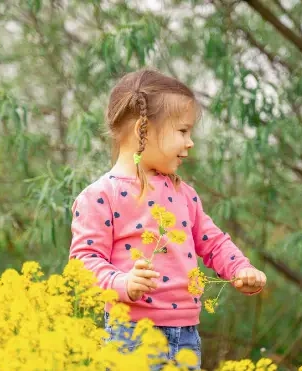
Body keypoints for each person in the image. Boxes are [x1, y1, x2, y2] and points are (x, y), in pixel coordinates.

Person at [69, 68, 267, 370]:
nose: (190, 143)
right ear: (142, 130)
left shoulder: (184, 194)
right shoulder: (101, 195)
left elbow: (213, 242)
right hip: (133, 334)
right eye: (182, 131)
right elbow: (83, 262)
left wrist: (241, 268)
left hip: (187, 335)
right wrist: (122, 282)